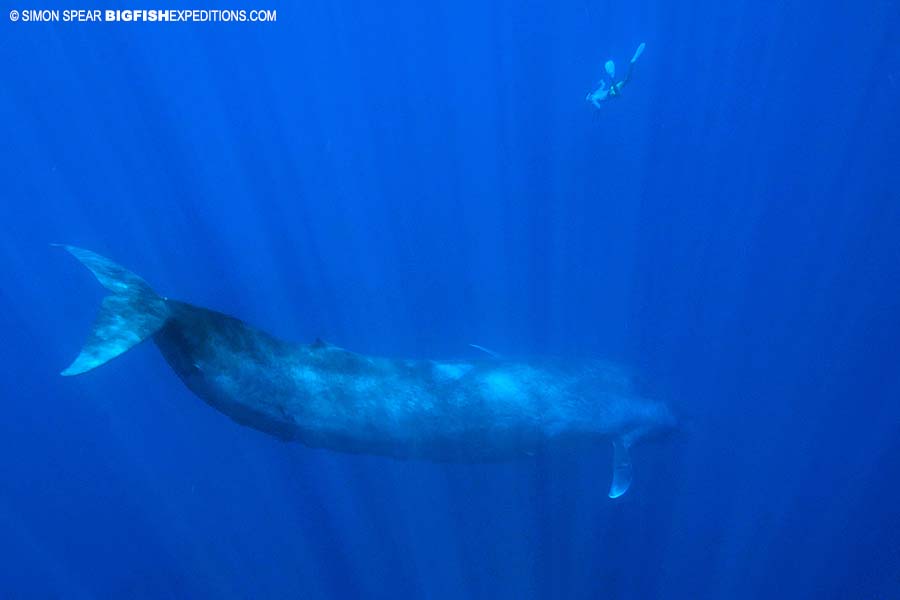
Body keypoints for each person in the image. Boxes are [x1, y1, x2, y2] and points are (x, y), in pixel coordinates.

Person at [586, 42, 645, 108]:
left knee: (624, 85)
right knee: (627, 80)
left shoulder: (593, 100)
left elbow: (599, 107)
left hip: (612, 93)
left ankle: (612, 77)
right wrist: (601, 82)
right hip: (611, 90)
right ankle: (631, 63)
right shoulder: (596, 92)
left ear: (590, 99)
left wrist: (597, 112)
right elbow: (603, 84)